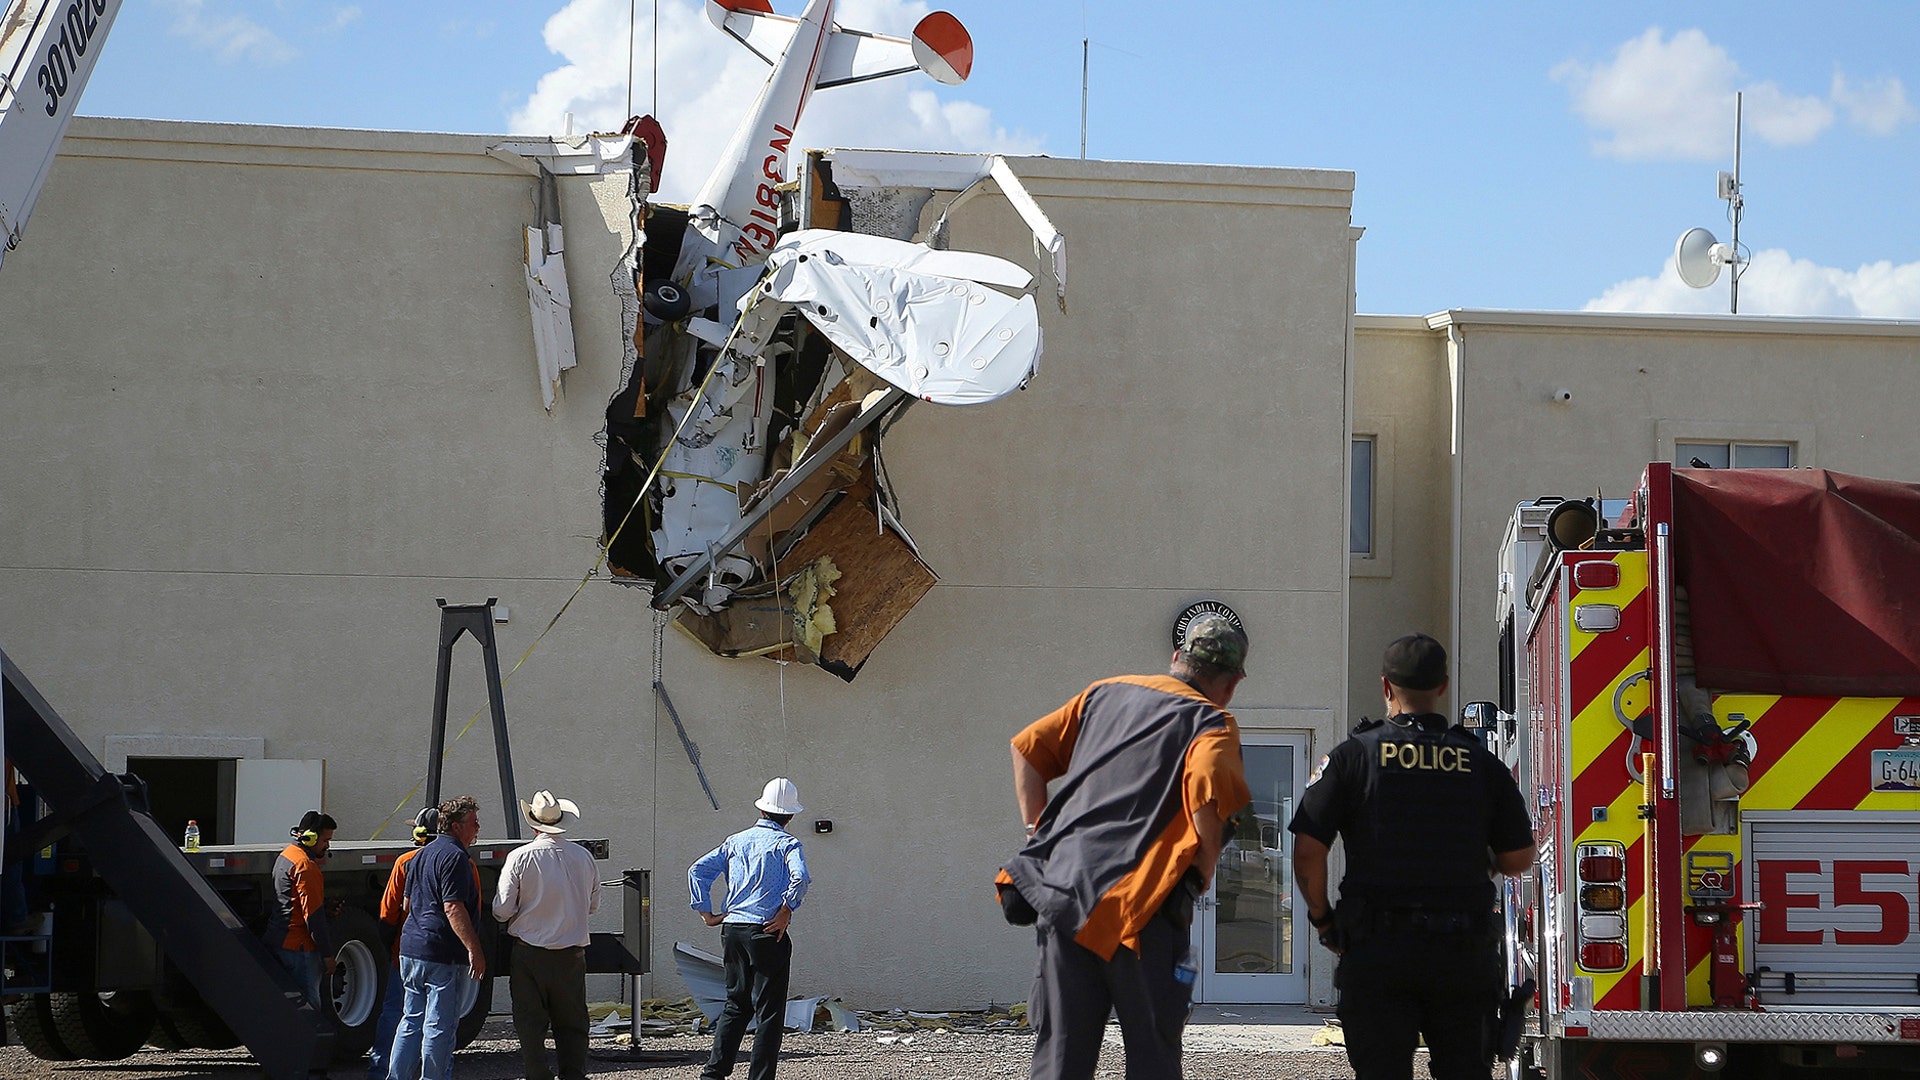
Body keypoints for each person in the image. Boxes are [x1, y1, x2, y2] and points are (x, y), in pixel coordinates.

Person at [997, 613, 1252, 1080]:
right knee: (1152, 1056)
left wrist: (1037, 831)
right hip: (1139, 912)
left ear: (1177, 658)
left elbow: (1027, 749)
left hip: (1063, 895)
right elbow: (1208, 798)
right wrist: (1201, 874)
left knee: (1059, 1059)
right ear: (1232, 683)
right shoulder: (1212, 723)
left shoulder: (1105, 693)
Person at [1288, 633, 1536, 1080]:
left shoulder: (1352, 757)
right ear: (1442, 686)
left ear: (1386, 687)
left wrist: (1324, 921)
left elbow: (1308, 851)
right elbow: (1518, 859)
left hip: (1378, 951)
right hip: (1462, 954)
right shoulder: (1481, 763)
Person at [687, 777, 812, 1080]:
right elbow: (801, 877)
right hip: (768, 931)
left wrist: (706, 912)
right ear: (791, 816)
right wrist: (786, 910)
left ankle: (713, 1074)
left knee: (736, 1004)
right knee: (769, 1012)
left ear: (762, 809)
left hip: (733, 930)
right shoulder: (787, 843)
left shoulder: (736, 841)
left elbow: (698, 870)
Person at [494, 790, 600, 1080]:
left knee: (530, 1022)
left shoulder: (520, 857)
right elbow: (593, 905)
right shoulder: (584, 856)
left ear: (533, 824)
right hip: (571, 953)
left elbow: (502, 910)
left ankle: (537, 1075)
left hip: (529, 952)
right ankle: (573, 1075)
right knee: (573, 1023)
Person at [389, 795, 487, 1080]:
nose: (478, 827)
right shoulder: (456, 857)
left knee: (411, 1021)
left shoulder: (421, 854)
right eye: (473, 822)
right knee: (439, 1027)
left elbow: (407, 905)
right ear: (456, 827)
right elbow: (453, 906)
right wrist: (474, 949)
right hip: (441, 953)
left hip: (411, 948)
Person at [368, 806, 442, 1080]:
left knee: (397, 1014)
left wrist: (389, 947)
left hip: (405, 951)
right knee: (437, 1020)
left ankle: (382, 1070)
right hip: (441, 954)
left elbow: (388, 912)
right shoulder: (458, 861)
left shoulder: (405, 862)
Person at [264, 809, 336, 1010]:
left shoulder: (286, 855)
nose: (327, 845)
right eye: (325, 840)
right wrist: (327, 955)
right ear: (310, 838)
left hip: (279, 940)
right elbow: (313, 917)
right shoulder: (306, 866)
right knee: (308, 1010)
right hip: (299, 948)